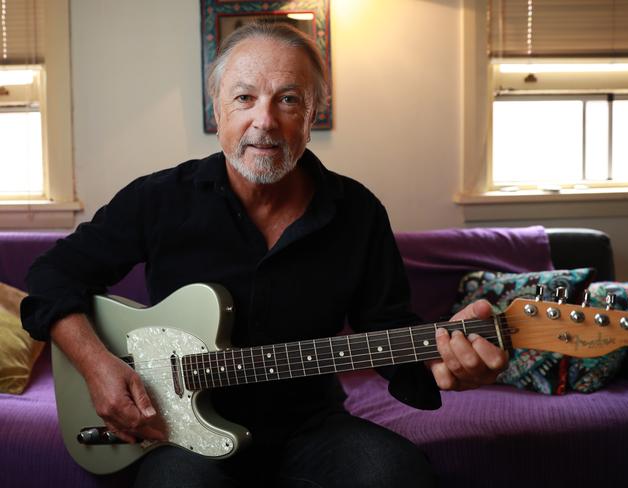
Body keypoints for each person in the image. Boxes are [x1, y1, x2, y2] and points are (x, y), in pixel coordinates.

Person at [21, 22, 507, 488]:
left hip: (310, 427)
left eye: (289, 99)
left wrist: (444, 367)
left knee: (400, 476)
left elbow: (385, 328)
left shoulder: (358, 212)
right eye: (244, 97)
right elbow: (51, 276)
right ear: (218, 108)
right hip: (174, 432)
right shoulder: (159, 199)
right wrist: (97, 367)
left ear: (313, 112)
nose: (265, 121)